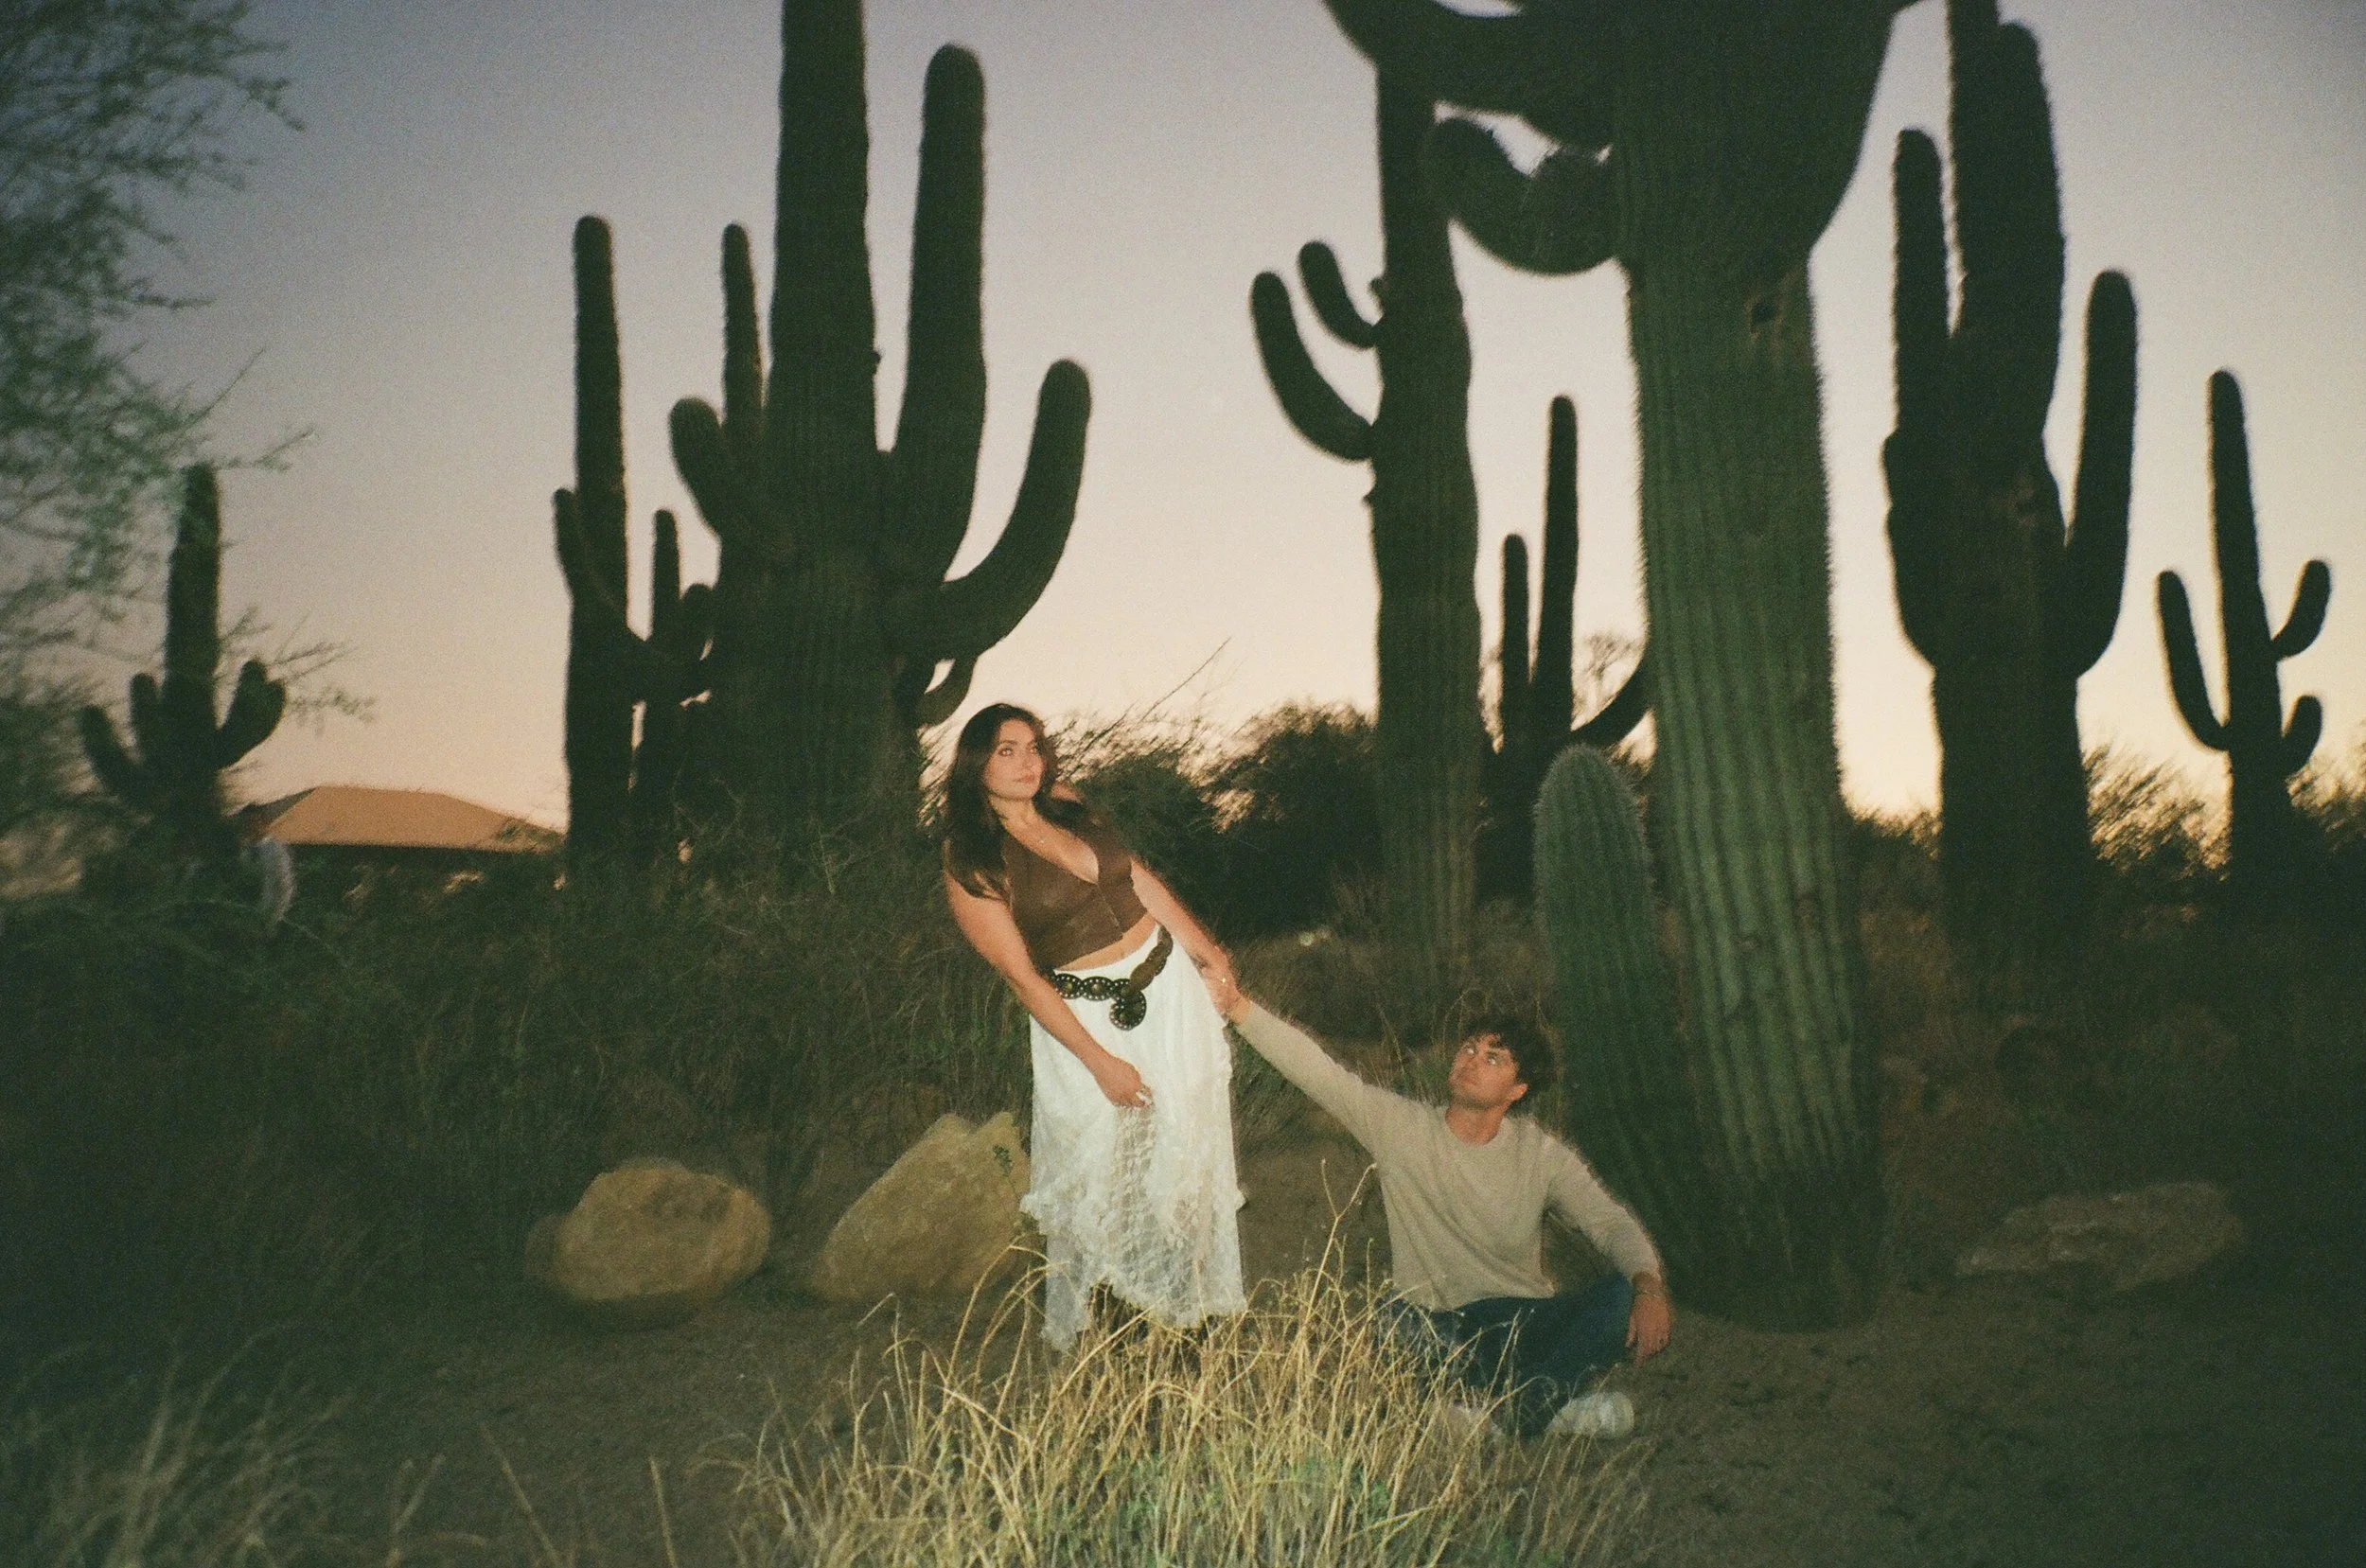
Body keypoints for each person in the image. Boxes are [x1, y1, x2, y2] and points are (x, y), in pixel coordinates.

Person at [1208, 979, 1671, 1439]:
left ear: (1518, 1089)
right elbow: (1319, 1073)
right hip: (1440, 1328)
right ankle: (1550, 1410)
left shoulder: (1541, 1155)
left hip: (1521, 1327)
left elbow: (1609, 1223)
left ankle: (1504, 1420)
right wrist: (1239, 1007)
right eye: (1470, 1049)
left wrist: (1648, 1288)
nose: (1472, 1062)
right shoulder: (1401, 1128)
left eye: (1494, 1059)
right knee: (1390, 1322)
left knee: (1618, 1296)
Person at [942, 702, 1245, 1348]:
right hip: (1087, 1023)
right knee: (1108, 1182)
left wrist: (1206, 951)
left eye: (1034, 746)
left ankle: (1192, 1327)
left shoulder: (1067, 802)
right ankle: (1120, 1343)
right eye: (1007, 750)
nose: (1029, 761)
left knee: (1185, 1161)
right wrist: (1097, 1061)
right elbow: (1023, 977)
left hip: (1167, 993)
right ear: (976, 764)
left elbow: (1138, 879)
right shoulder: (971, 860)